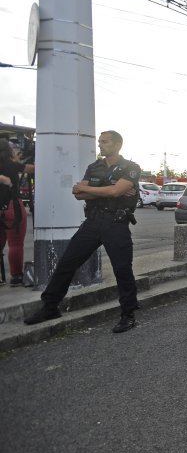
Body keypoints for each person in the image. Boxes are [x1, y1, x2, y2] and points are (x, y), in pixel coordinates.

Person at [23, 131, 141, 332]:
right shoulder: (94, 167)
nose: (100, 144)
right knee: (67, 262)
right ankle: (50, 306)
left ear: (118, 144)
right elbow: (78, 194)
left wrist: (96, 190)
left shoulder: (131, 167)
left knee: (122, 269)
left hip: (116, 223)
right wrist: (108, 188)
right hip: (93, 223)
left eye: (105, 142)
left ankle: (128, 314)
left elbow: (114, 192)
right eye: (99, 141)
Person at [0, 139, 32, 286]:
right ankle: (16, 276)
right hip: (12, 206)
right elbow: (30, 169)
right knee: (15, 244)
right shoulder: (12, 165)